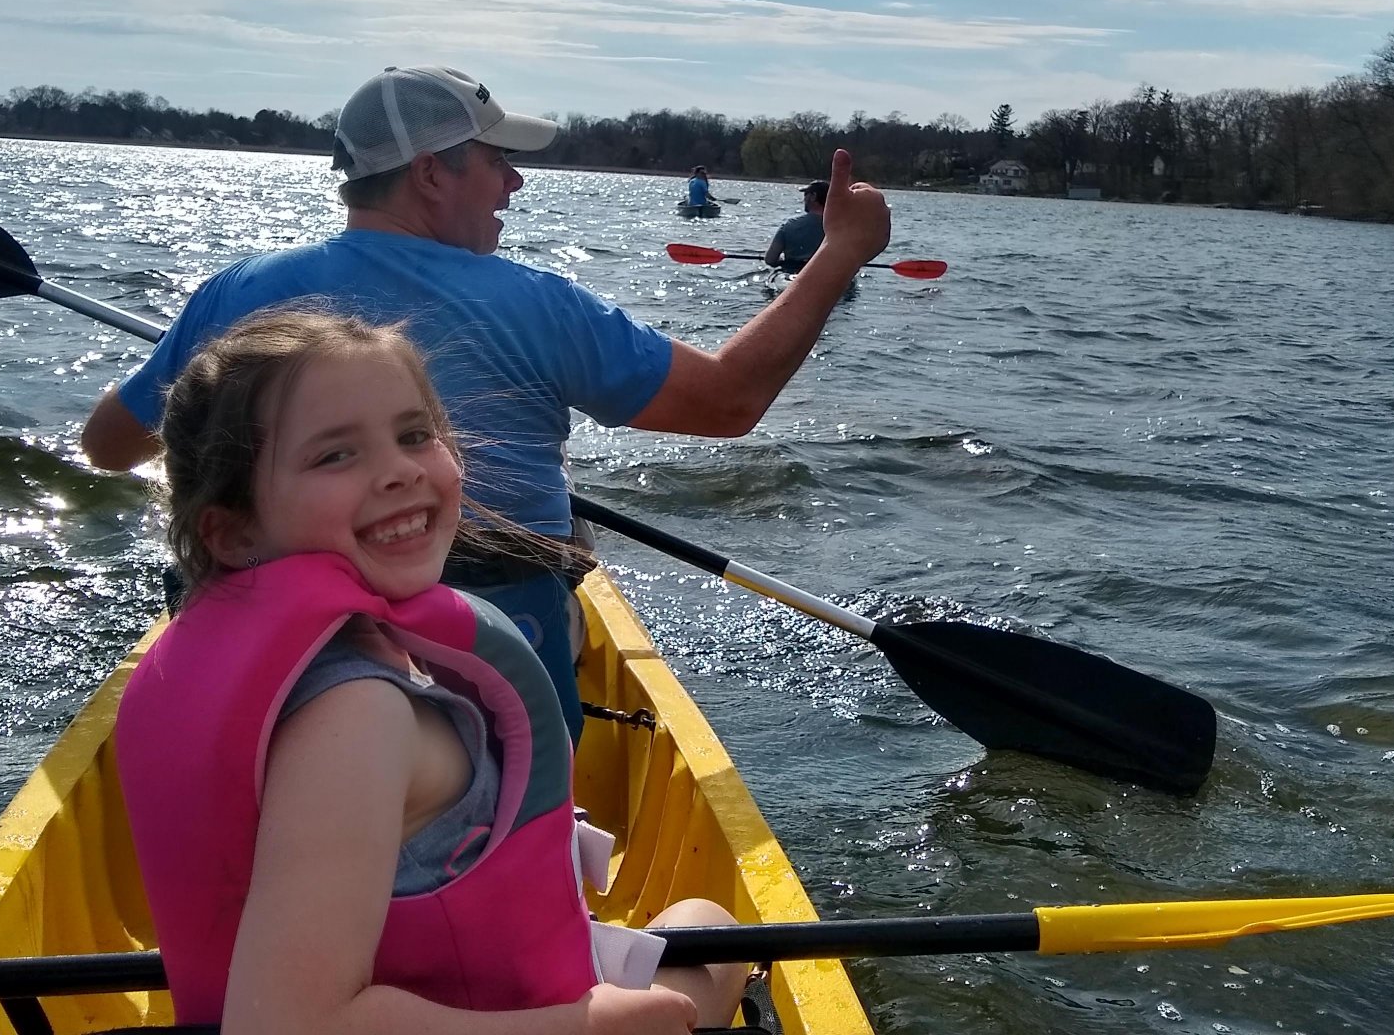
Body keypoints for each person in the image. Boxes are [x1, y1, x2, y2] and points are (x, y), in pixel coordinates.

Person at [82, 64, 891, 735]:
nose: (516, 179)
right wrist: (841, 252)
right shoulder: (538, 302)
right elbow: (727, 403)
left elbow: (109, 446)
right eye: (495, 159)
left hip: (265, 643)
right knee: (564, 586)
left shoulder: (235, 295)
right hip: (494, 627)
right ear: (432, 173)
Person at [116, 308, 746, 1035]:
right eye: (334, 456)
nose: (400, 471)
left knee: (702, 925)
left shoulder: (278, 656)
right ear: (234, 532)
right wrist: (585, 1026)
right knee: (708, 934)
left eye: (415, 435)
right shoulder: (356, 716)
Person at [763, 180, 828, 273]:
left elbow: (770, 260)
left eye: (806, 194)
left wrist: (780, 261)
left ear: (813, 197)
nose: (804, 199)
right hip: (826, 275)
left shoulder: (789, 226)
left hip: (792, 273)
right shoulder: (841, 228)